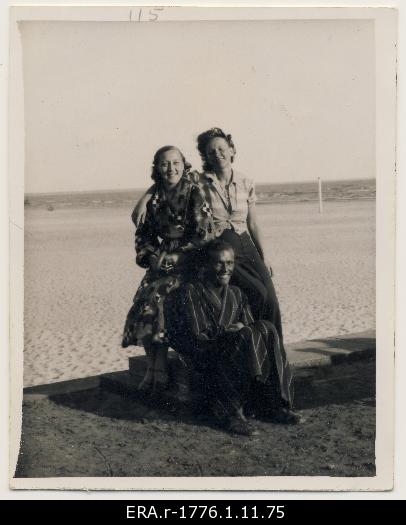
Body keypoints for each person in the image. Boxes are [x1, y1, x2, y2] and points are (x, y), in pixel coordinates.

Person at [133, 127, 285, 347]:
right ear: (206, 157)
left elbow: (253, 222)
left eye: (222, 149)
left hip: (246, 243)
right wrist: (145, 198)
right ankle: (254, 346)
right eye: (211, 151)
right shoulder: (199, 180)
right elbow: (169, 178)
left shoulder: (246, 182)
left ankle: (274, 349)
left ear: (232, 150)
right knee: (255, 294)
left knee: (269, 299)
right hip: (221, 246)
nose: (218, 154)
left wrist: (265, 256)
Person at [165, 239, 300, 436]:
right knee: (244, 335)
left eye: (230, 263)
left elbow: (251, 327)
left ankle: (274, 404)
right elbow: (198, 336)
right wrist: (229, 331)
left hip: (234, 351)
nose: (225, 269)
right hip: (205, 358)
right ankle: (232, 414)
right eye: (219, 263)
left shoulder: (237, 294)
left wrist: (242, 330)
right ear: (205, 265)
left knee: (267, 328)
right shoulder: (191, 292)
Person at [122, 146, 214, 392]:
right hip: (161, 261)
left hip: (192, 261)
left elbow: (205, 233)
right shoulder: (154, 199)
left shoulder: (196, 191)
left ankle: (159, 368)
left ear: (184, 165)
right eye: (165, 164)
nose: (171, 168)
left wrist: (178, 255)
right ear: (157, 168)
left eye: (175, 163)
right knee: (143, 300)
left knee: (156, 298)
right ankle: (153, 366)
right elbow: (143, 236)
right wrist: (150, 257)